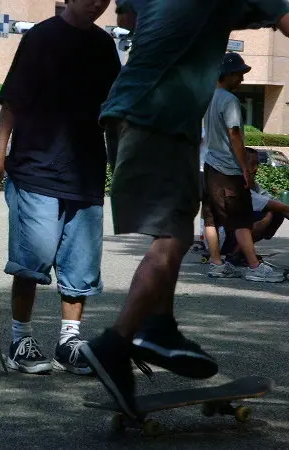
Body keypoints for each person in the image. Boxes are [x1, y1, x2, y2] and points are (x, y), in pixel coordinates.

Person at [80, 0, 289, 420]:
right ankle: (115, 343)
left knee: (172, 224)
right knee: (173, 236)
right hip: (160, 114)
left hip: (128, 108)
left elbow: (127, 17)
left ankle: (159, 327)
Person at [0, 0, 121, 375]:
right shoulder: (41, 38)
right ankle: (20, 338)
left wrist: (122, 163)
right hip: (36, 168)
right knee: (32, 258)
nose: (98, 4)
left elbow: (115, 111)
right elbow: (12, 101)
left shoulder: (104, 46)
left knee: (81, 265)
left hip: (87, 172)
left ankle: (69, 341)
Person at [202, 52, 284, 282]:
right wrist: (245, 169)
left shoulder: (209, 97)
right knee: (240, 219)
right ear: (227, 75)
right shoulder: (229, 100)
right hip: (229, 169)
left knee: (211, 218)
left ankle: (216, 263)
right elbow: (235, 134)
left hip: (210, 167)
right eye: (239, 74)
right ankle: (255, 267)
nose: (242, 79)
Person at [221, 148, 289, 264]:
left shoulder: (254, 185)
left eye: (257, 164)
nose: (256, 168)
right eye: (252, 164)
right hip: (222, 238)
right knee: (269, 213)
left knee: (274, 212)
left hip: (232, 232)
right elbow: (275, 205)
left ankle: (242, 251)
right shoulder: (237, 185)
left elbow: (275, 202)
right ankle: (235, 254)